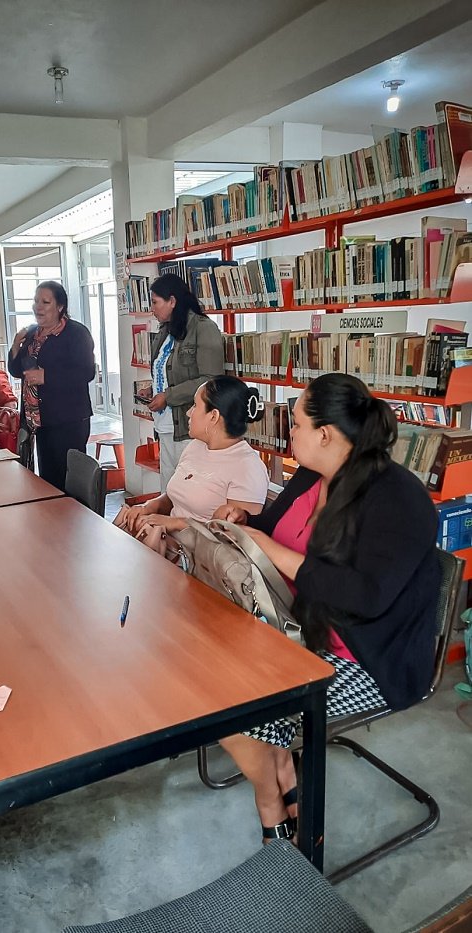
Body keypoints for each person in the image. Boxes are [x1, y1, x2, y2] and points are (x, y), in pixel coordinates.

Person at [215, 373, 441, 844]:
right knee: (208, 674)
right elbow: (278, 532)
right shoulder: (310, 475)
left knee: (230, 706)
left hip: (367, 661)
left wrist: (277, 556)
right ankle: (283, 773)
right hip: (300, 630)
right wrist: (247, 522)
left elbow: (367, 595)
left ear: (325, 434)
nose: (287, 430)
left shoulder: (398, 497)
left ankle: (271, 803)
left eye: (295, 422)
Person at [117, 377, 269, 536]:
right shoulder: (195, 446)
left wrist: (173, 523)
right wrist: (149, 507)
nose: (188, 412)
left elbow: (238, 537)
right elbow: (175, 498)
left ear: (213, 416)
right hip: (168, 544)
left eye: (195, 405)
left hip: (201, 556)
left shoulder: (248, 468)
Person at [8, 281, 96, 491]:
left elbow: (86, 372)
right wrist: (15, 347)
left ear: (60, 307)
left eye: (45, 302)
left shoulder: (76, 333)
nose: (38, 306)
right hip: (38, 419)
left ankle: (72, 521)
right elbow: (16, 371)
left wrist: (47, 376)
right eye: (36, 301)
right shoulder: (31, 334)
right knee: (46, 479)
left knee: (68, 478)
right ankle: (51, 520)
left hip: (68, 419)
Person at [146, 274, 225, 492]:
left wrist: (168, 396)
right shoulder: (165, 331)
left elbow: (211, 379)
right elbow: (165, 371)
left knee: (188, 491)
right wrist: (153, 390)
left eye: (155, 302)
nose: (152, 309)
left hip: (189, 427)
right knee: (168, 491)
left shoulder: (203, 328)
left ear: (172, 301)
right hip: (164, 425)